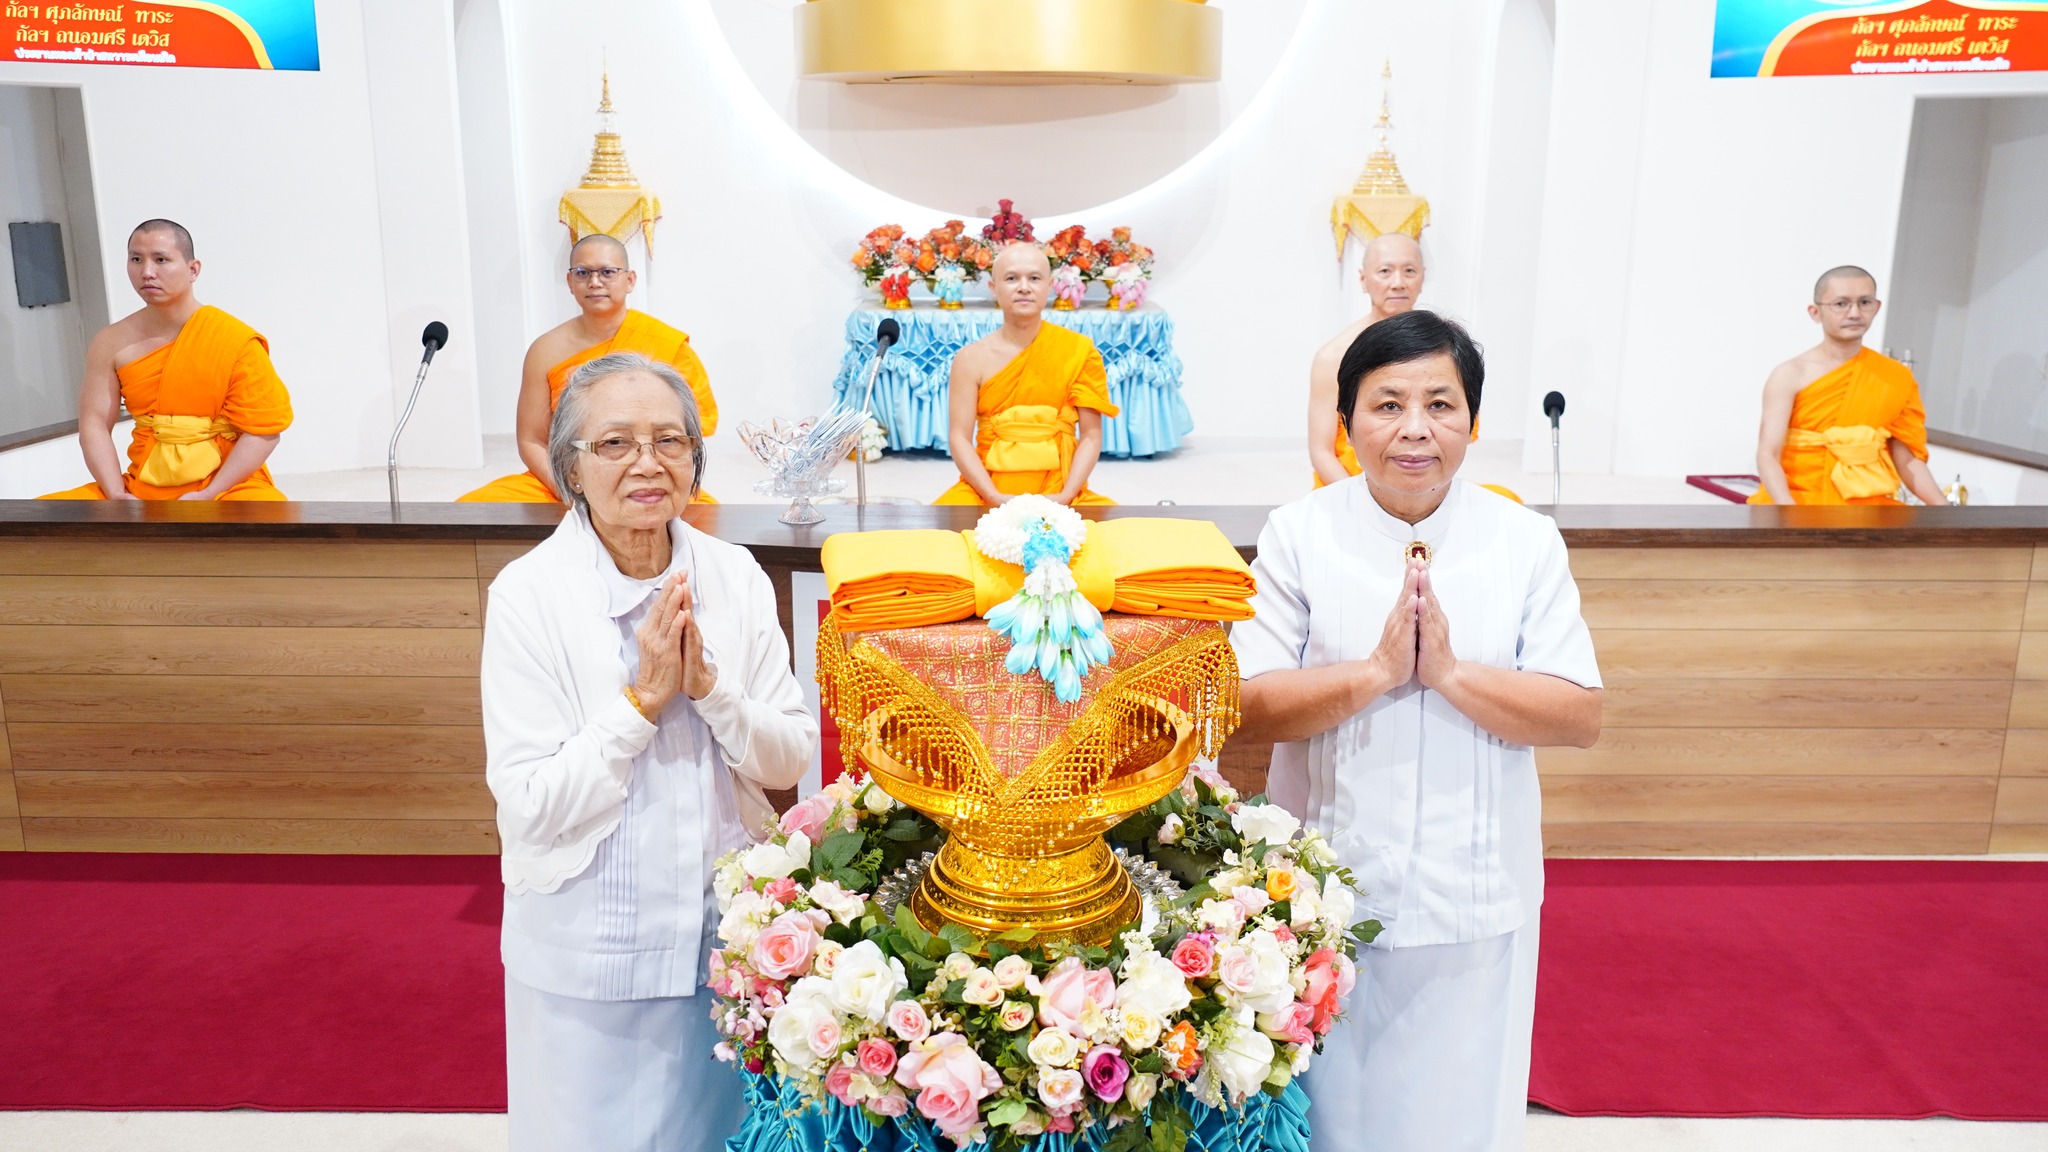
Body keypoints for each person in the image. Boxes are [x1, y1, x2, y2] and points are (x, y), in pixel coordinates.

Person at [1231, 310, 1603, 1152]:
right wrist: (1371, 676)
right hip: (1319, 891)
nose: (1414, 430)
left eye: (1440, 404)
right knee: (1327, 1115)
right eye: (1387, 403)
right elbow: (1245, 704)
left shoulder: (1525, 541)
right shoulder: (1300, 532)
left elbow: (1579, 713)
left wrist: (1452, 678)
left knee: (1456, 1117)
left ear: (1472, 420)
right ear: (1347, 419)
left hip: (1475, 892)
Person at [480, 351, 815, 1152]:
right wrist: (640, 705)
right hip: (590, 949)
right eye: (616, 444)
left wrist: (712, 694)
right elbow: (528, 804)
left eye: (670, 441)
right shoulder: (529, 595)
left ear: (696, 462)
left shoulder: (733, 577)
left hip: (727, 939)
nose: (648, 463)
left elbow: (787, 759)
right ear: (570, 467)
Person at [42, 219, 293, 501]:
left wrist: (210, 493)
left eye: (161, 260)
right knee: (44, 515)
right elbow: (95, 423)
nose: (147, 272)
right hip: (142, 485)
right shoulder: (110, 342)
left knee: (269, 517)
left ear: (193, 269)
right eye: (136, 259)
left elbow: (264, 431)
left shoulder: (234, 340)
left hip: (227, 486)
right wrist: (116, 494)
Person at [461, 234, 720, 503]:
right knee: (473, 508)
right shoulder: (545, 350)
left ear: (630, 280)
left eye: (608, 272)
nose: (595, 282)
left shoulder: (667, 345)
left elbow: (688, 435)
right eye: (583, 273)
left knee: (708, 519)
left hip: (648, 473)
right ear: (570, 282)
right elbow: (532, 440)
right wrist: (571, 492)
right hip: (570, 475)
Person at [933, 243, 1118, 506]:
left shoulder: (1079, 351)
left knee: (1117, 539)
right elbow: (959, 438)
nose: (1023, 287)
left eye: (1034, 278)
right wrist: (993, 496)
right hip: (985, 490)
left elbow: (1091, 435)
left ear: (1049, 285)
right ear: (993, 287)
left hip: (1062, 490)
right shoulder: (970, 359)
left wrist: (1065, 496)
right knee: (934, 539)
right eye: (1011, 278)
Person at [1749, 266, 1948, 506]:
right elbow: (1768, 453)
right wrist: (1787, 511)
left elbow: (1905, 455)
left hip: (1865, 507)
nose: (1854, 313)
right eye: (1841, 304)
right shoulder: (1790, 374)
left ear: (1876, 307)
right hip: (1797, 501)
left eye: (1864, 302)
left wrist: (1942, 507)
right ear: (1815, 312)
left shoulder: (1895, 376)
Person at [1309, 232, 1425, 488]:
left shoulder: (1440, 352)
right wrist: (1365, 501)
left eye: (1409, 270)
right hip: (1350, 487)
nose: (1398, 283)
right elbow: (1321, 452)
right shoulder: (1334, 357)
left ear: (1422, 276)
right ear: (1363, 280)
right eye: (1385, 271)